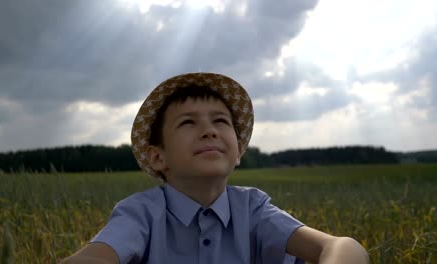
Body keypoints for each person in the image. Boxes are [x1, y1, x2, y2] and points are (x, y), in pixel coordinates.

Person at [60, 73, 369, 264]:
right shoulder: (140, 214)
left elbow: (342, 248)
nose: (209, 131)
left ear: (237, 152)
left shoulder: (253, 209)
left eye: (220, 121)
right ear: (157, 158)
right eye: (188, 122)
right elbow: (94, 257)